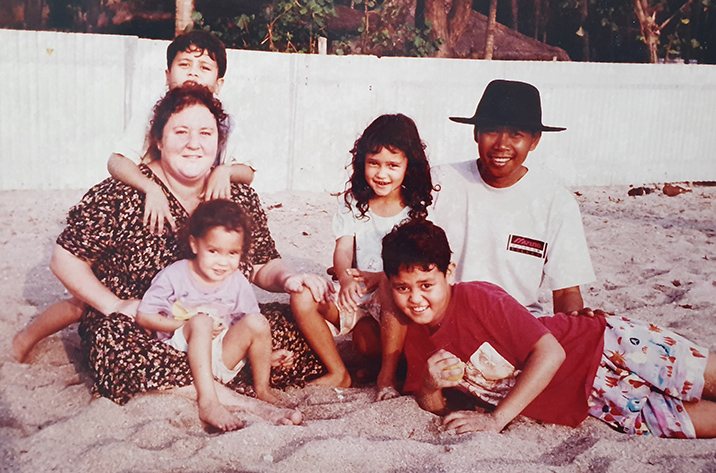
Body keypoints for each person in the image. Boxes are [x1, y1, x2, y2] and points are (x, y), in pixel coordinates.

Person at [24, 84, 330, 426]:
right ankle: (237, 401)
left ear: (218, 142)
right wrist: (113, 304)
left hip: (220, 321)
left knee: (297, 334)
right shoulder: (125, 192)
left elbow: (260, 264)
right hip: (148, 325)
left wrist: (289, 278)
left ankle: (221, 374)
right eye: (180, 132)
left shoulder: (236, 194)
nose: (193, 143)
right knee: (115, 342)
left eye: (205, 133)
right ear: (158, 139)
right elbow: (65, 259)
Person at [12, 30, 254, 362]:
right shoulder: (154, 114)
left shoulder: (223, 121)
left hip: (178, 249)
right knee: (81, 303)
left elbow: (248, 170)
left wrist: (224, 171)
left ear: (220, 82)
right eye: (185, 65)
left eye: (204, 67)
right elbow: (117, 160)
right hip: (138, 221)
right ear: (167, 75)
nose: (194, 73)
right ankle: (27, 336)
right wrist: (149, 186)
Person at [382, 219, 716, 438]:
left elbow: (551, 351)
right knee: (698, 423)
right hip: (591, 400)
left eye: (426, 285)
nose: (415, 299)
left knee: (705, 377)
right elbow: (436, 405)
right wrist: (428, 386)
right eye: (402, 288)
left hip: (607, 345)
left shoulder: (476, 297)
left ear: (448, 273)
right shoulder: (413, 333)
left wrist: (496, 421)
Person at [291, 114, 435, 396]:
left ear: (409, 166)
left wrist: (380, 276)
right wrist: (345, 278)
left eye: (393, 165)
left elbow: (416, 266)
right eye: (374, 163)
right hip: (357, 294)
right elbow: (343, 249)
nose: (382, 174)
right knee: (301, 295)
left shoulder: (415, 211)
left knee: (385, 296)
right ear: (362, 162)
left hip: (393, 300)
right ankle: (338, 371)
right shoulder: (353, 203)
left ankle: (386, 375)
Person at [432, 79, 596, 317]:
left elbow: (565, 292)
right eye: (491, 130)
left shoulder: (556, 203)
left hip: (520, 326)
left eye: (516, 134)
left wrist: (575, 322)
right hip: (447, 318)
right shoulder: (439, 183)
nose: (501, 145)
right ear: (476, 133)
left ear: (534, 140)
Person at [136, 199, 292, 431]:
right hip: (181, 357)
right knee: (201, 321)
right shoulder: (175, 275)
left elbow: (248, 328)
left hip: (220, 356)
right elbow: (144, 316)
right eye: (213, 251)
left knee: (258, 322)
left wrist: (265, 355)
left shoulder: (237, 281)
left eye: (232, 253)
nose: (222, 262)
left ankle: (262, 389)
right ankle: (208, 401)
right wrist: (183, 323)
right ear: (195, 245)